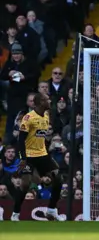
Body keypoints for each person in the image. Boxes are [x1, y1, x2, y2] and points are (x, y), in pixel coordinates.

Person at [12, 93, 63, 221]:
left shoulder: (46, 116)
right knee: (26, 184)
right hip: (28, 156)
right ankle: (15, 213)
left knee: (58, 178)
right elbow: (21, 140)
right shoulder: (28, 118)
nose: (50, 101)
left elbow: (40, 137)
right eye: (47, 99)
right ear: (40, 102)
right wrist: (23, 158)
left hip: (42, 155)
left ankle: (51, 210)